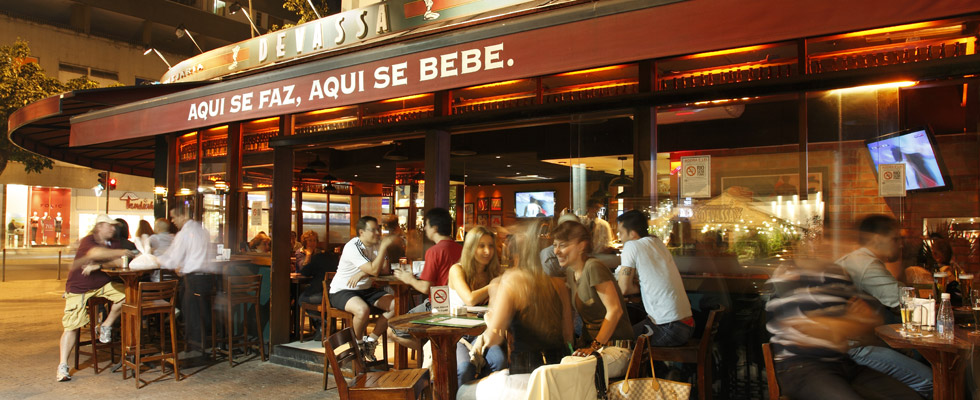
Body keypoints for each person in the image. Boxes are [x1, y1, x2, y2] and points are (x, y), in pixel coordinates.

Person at [766, 259, 922, 400]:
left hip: (844, 362)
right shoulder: (789, 276)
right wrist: (847, 322)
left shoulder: (836, 275)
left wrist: (844, 324)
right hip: (803, 368)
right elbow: (807, 331)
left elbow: (870, 323)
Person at [835, 215, 932, 397]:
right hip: (853, 349)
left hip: (850, 344)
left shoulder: (859, 260)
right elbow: (905, 302)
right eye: (895, 239)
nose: (901, 245)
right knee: (931, 381)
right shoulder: (865, 264)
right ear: (876, 238)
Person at [469, 220, 572, 375]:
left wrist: (490, 319)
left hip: (527, 374)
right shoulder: (559, 284)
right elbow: (568, 335)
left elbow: (493, 338)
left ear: (515, 252)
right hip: (558, 370)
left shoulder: (512, 281)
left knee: (466, 389)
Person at [56, 215, 132, 382]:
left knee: (128, 296)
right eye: (109, 226)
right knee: (71, 326)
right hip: (80, 286)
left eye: (113, 226)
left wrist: (99, 265)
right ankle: (63, 365)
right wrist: (118, 253)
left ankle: (106, 324)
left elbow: (119, 263)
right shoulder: (89, 240)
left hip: (103, 284)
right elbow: (95, 252)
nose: (113, 229)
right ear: (99, 227)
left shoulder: (114, 242)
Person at [552, 220, 633, 356]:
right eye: (555, 245)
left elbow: (615, 310)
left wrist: (595, 346)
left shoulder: (593, 267)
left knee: (570, 366)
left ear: (581, 246)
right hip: (594, 347)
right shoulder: (571, 272)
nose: (556, 251)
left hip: (616, 346)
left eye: (563, 245)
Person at [614, 210, 694, 345]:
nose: (619, 237)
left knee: (621, 342)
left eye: (621, 233)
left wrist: (636, 286)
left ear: (632, 234)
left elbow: (623, 289)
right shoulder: (657, 242)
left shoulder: (631, 246)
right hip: (685, 325)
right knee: (626, 335)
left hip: (668, 328)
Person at [390, 208, 463, 350]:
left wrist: (408, 279)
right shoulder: (461, 249)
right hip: (457, 305)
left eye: (426, 225)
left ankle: (433, 352)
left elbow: (425, 287)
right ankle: (434, 351)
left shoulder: (434, 251)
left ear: (434, 228)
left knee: (394, 330)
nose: (424, 228)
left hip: (437, 305)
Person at [328, 216, 397, 362]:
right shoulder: (354, 246)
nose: (377, 233)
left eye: (378, 229)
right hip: (343, 290)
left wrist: (363, 273)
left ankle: (370, 341)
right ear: (361, 232)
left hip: (366, 289)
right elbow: (374, 270)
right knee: (362, 310)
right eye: (373, 230)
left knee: (396, 305)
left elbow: (384, 270)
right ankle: (358, 345)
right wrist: (382, 249)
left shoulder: (377, 244)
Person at [157, 205, 217, 364]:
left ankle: (195, 352)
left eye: (174, 217)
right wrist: (183, 266)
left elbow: (173, 259)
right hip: (208, 279)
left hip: (194, 279)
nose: (172, 221)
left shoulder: (184, 233)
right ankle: (204, 346)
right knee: (201, 312)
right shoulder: (202, 230)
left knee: (192, 314)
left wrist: (156, 260)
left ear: (183, 216)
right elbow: (194, 255)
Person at [448, 226, 506, 386]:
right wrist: (493, 285)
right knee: (465, 369)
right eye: (481, 246)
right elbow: (470, 299)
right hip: (458, 335)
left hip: (484, 333)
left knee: (499, 362)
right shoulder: (457, 269)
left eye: (491, 246)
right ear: (470, 247)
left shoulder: (493, 273)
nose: (487, 251)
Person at [296, 230, 339, 339]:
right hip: (333, 293)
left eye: (314, 240)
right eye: (310, 240)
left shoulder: (318, 256)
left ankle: (322, 324)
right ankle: (324, 326)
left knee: (301, 299)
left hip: (320, 293)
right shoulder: (300, 252)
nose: (313, 243)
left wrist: (310, 256)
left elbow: (304, 271)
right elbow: (302, 268)